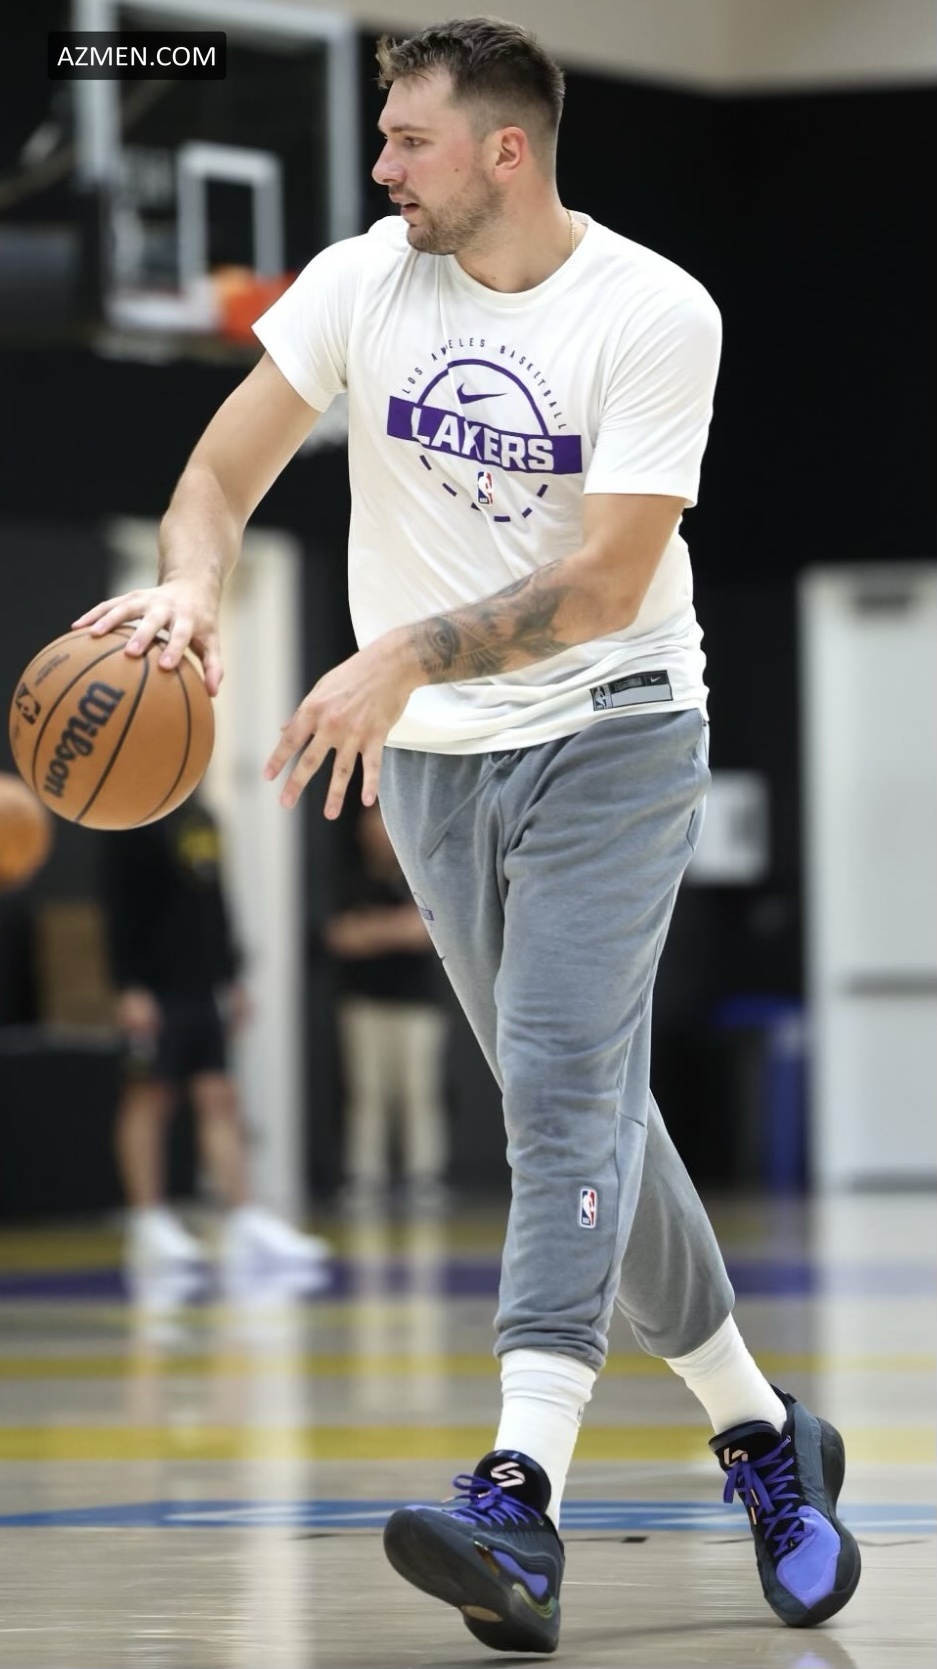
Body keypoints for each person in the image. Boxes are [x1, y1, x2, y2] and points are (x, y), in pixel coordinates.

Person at [73, 15, 860, 1651]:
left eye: (407, 140)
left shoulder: (652, 309)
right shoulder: (365, 280)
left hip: (613, 727)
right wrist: (192, 588)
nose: (379, 168)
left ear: (506, 149)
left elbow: (607, 580)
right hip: (434, 762)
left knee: (560, 1088)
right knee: (590, 1108)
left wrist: (400, 654)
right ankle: (760, 1433)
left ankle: (519, 1493)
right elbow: (218, 472)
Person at [100, 794, 329, 1290]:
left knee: (219, 1097)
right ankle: (147, 1220)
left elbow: (215, 899)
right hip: (154, 987)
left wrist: (231, 976)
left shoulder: (201, 815)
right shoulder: (125, 810)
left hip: (202, 984)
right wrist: (127, 984)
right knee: (150, 1097)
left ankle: (247, 1218)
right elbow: (115, 902)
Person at [324, 802, 450, 1211]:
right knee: (366, 1093)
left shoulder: (420, 876)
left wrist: (372, 930)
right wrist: (395, 928)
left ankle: (424, 1176)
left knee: (419, 1092)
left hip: (418, 1006)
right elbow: (341, 936)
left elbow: (424, 932)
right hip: (364, 1004)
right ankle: (366, 1176)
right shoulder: (353, 880)